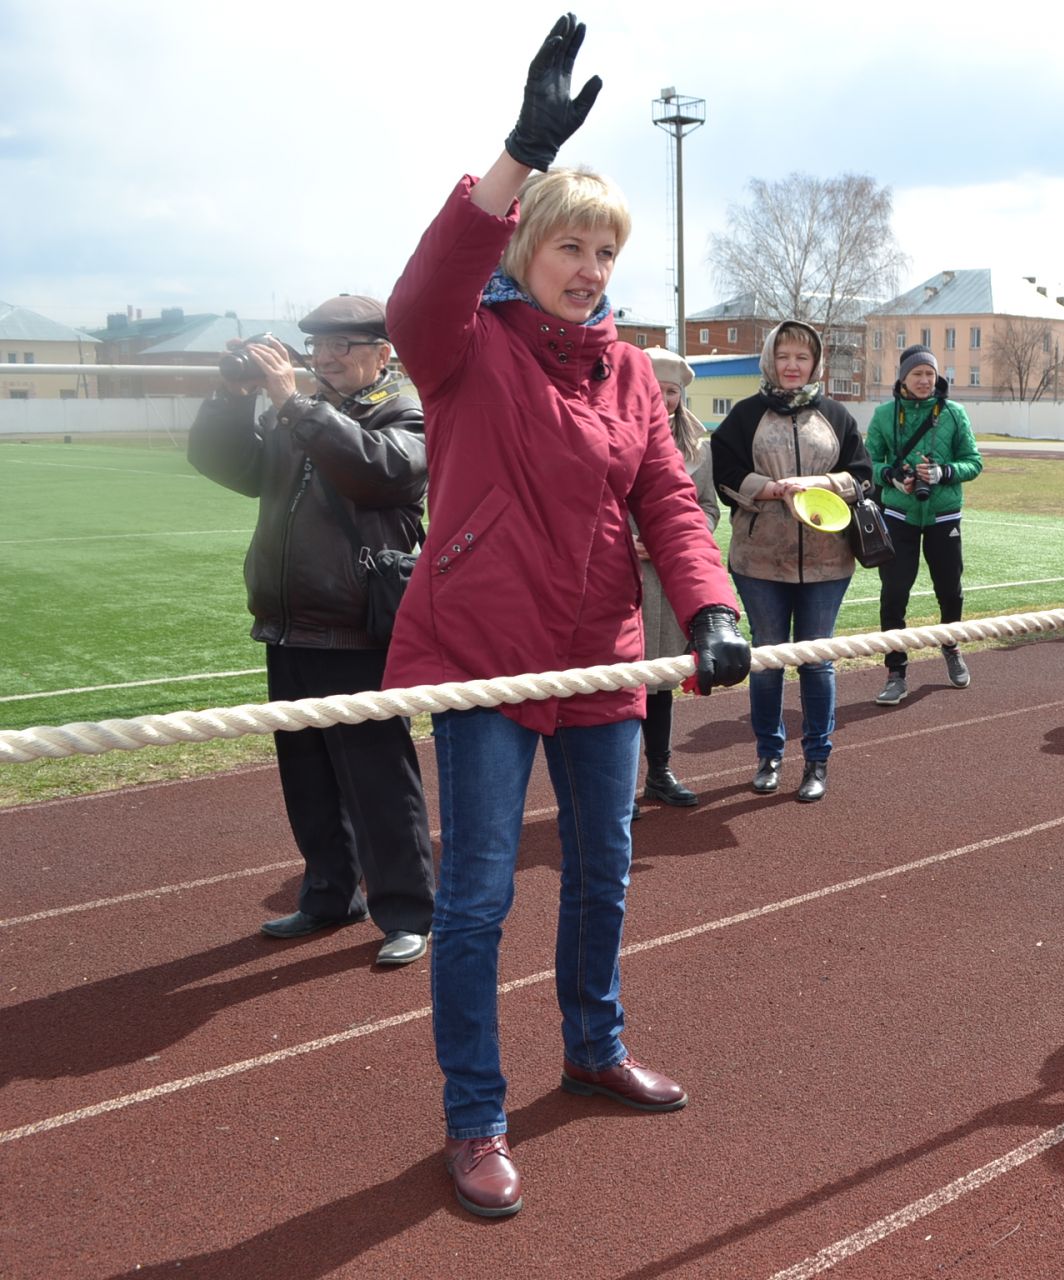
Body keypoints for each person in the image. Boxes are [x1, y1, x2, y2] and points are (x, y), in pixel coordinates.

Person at [384, 14, 751, 1217]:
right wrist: (517, 153)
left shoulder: (635, 373)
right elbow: (418, 292)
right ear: (529, 245)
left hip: (602, 655)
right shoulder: (462, 347)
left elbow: (669, 506)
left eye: (607, 250)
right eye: (572, 246)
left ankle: (593, 1045)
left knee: (606, 869)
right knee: (479, 893)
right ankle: (475, 1112)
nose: (592, 267)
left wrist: (707, 607)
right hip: (482, 663)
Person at [187, 295, 435, 968]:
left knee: (379, 779)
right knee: (308, 778)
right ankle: (330, 894)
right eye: (318, 350)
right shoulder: (302, 412)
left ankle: (409, 909)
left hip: (358, 628)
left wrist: (294, 404)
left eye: (343, 348)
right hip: (288, 624)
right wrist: (234, 397)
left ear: (383, 354)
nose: (325, 360)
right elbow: (226, 465)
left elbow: (378, 471)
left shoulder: (405, 413)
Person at [711, 319, 873, 803]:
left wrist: (823, 483)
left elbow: (863, 475)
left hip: (828, 561)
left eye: (802, 357)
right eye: (784, 356)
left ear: (816, 362)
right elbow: (726, 473)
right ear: (769, 360)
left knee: (817, 659)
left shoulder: (836, 416)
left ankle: (818, 759)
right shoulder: (744, 416)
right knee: (766, 659)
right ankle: (769, 754)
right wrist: (769, 488)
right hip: (760, 560)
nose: (792, 366)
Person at [866, 344, 983, 705]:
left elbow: (973, 462)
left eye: (930, 373)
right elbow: (866, 463)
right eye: (917, 373)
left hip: (943, 515)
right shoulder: (885, 415)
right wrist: (891, 477)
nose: (924, 380)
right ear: (903, 377)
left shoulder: (953, 412)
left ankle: (950, 646)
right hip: (898, 515)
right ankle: (896, 671)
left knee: (950, 589)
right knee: (894, 593)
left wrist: (943, 472)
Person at [634, 346, 721, 806]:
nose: (664, 398)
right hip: (623, 577)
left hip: (670, 581)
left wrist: (682, 539)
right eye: (655, 388)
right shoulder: (616, 436)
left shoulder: (697, 449)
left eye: (672, 392)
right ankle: (620, 786)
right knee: (622, 682)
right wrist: (626, 543)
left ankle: (659, 772)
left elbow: (709, 508)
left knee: (663, 679)